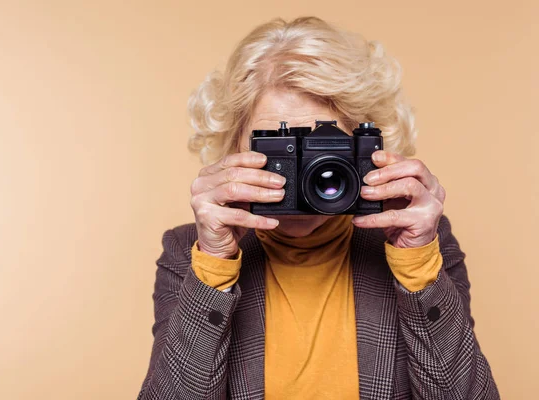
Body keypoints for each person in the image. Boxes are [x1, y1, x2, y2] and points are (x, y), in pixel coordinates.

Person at [138, 16, 499, 400]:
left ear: (367, 151)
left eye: (325, 150)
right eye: (279, 150)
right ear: (233, 148)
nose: (308, 175)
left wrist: (417, 265)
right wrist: (214, 264)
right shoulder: (189, 252)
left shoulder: (423, 246)